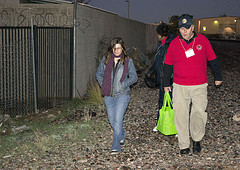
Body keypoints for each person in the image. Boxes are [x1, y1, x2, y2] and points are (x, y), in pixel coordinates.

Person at [163, 14, 223, 155]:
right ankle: (184, 145)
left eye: (187, 28)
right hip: (179, 85)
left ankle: (196, 139)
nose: (184, 31)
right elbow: (167, 65)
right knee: (181, 115)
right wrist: (166, 83)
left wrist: (218, 76)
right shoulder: (174, 43)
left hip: (199, 85)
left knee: (198, 113)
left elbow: (213, 59)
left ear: (192, 27)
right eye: (181, 28)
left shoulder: (203, 40)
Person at [96, 37, 138, 154]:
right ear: (112, 49)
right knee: (112, 120)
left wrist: (124, 84)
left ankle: (116, 145)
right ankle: (122, 134)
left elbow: (134, 77)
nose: (116, 51)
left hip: (122, 95)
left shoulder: (128, 61)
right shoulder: (106, 60)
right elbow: (98, 74)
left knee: (118, 120)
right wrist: (103, 83)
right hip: (109, 95)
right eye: (114, 48)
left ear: (123, 49)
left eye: (119, 48)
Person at [150, 23, 175, 132]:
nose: (156, 36)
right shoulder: (162, 44)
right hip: (162, 78)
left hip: (168, 79)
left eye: (157, 34)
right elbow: (158, 61)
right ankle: (161, 123)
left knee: (172, 103)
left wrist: (168, 80)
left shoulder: (170, 45)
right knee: (162, 101)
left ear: (160, 34)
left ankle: (176, 127)